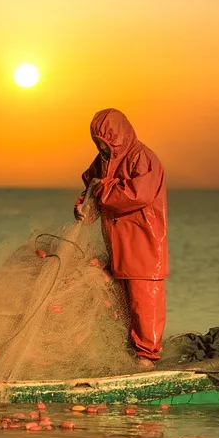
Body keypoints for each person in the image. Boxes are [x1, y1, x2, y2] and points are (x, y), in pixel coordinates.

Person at [73, 108, 168, 370]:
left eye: (104, 142)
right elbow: (91, 186)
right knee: (123, 300)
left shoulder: (143, 158)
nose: (100, 147)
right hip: (118, 242)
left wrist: (102, 191)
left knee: (144, 298)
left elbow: (137, 194)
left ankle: (147, 355)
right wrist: (83, 205)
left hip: (143, 242)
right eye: (97, 142)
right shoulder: (103, 160)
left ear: (117, 136)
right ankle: (131, 347)